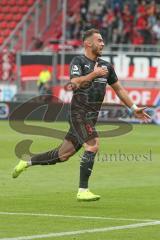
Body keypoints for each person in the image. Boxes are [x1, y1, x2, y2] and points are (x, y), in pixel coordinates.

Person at [12, 29, 151, 201]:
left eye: (102, 41)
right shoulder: (78, 61)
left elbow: (119, 89)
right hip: (79, 113)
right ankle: (82, 190)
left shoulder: (106, 66)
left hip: (91, 117)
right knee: (93, 145)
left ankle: (26, 162)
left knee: (62, 155)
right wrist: (94, 74)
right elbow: (74, 83)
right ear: (88, 43)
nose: (102, 43)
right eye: (99, 40)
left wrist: (134, 107)